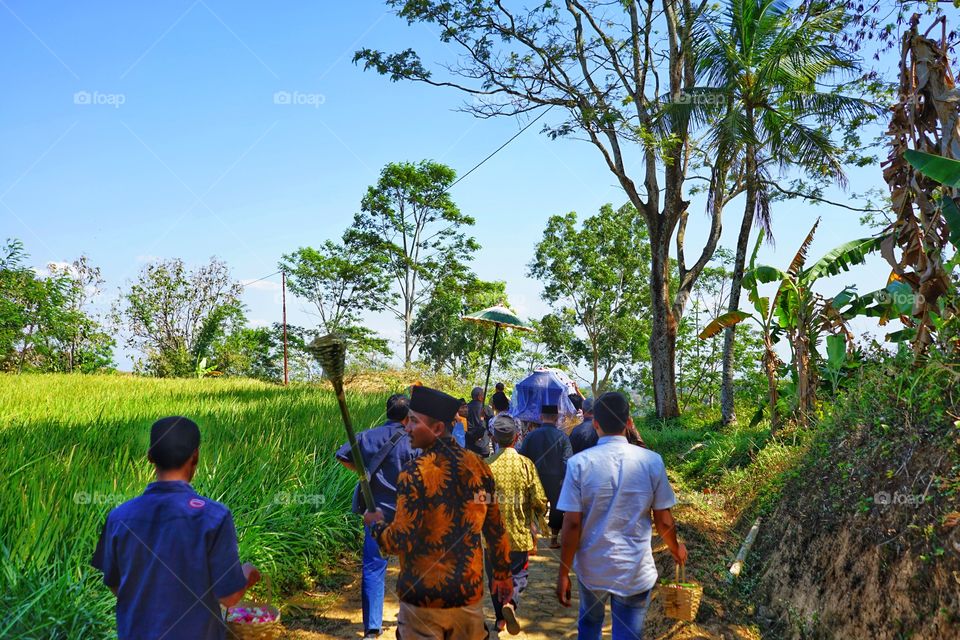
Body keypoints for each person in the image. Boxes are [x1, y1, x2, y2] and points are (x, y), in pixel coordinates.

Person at [364, 385, 513, 639]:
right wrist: (502, 574)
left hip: (422, 602)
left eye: (413, 421)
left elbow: (398, 541)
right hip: (466, 597)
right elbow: (495, 528)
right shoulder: (479, 467)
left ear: (437, 428)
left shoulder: (414, 473)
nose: (407, 428)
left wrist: (376, 524)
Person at [92, 416, 260, 640]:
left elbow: (115, 584)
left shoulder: (119, 517)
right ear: (196, 456)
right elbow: (229, 597)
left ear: (150, 456)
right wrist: (247, 573)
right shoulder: (214, 516)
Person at [555, 392, 688, 640]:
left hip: (592, 568)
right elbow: (664, 520)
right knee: (628, 633)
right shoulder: (652, 462)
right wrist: (675, 548)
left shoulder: (579, 464)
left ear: (595, 423)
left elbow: (572, 524)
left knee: (590, 623)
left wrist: (563, 573)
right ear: (629, 421)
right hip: (634, 570)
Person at [335, 394, 419, 639]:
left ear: (387, 412)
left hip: (376, 513)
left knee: (373, 568)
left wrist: (364, 470)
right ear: (408, 416)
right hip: (408, 514)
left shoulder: (366, 436)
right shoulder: (414, 441)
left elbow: (342, 456)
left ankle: (372, 629)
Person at [485, 415, 547, 635]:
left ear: (493, 437)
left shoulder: (485, 466)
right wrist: (539, 515)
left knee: (494, 576)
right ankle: (510, 602)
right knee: (519, 574)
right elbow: (538, 498)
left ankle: (500, 620)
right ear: (517, 437)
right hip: (519, 533)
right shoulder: (525, 464)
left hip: (491, 538)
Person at [518, 404, 572, 549]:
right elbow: (567, 461)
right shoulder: (563, 437)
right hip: (556, 479)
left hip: (535, 477)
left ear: (541, 417)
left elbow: (522, 458)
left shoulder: (531, 436)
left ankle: (533, 540)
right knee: (557, 508)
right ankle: (554, 540)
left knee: (534, 507)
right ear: (556, 418)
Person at [465, 386, 491, 457]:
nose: (483, 397)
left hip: (469, 444)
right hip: (483, 445)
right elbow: (492, 424)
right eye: (483, 395)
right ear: (479, 396)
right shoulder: (485, 408)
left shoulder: (466, 408)